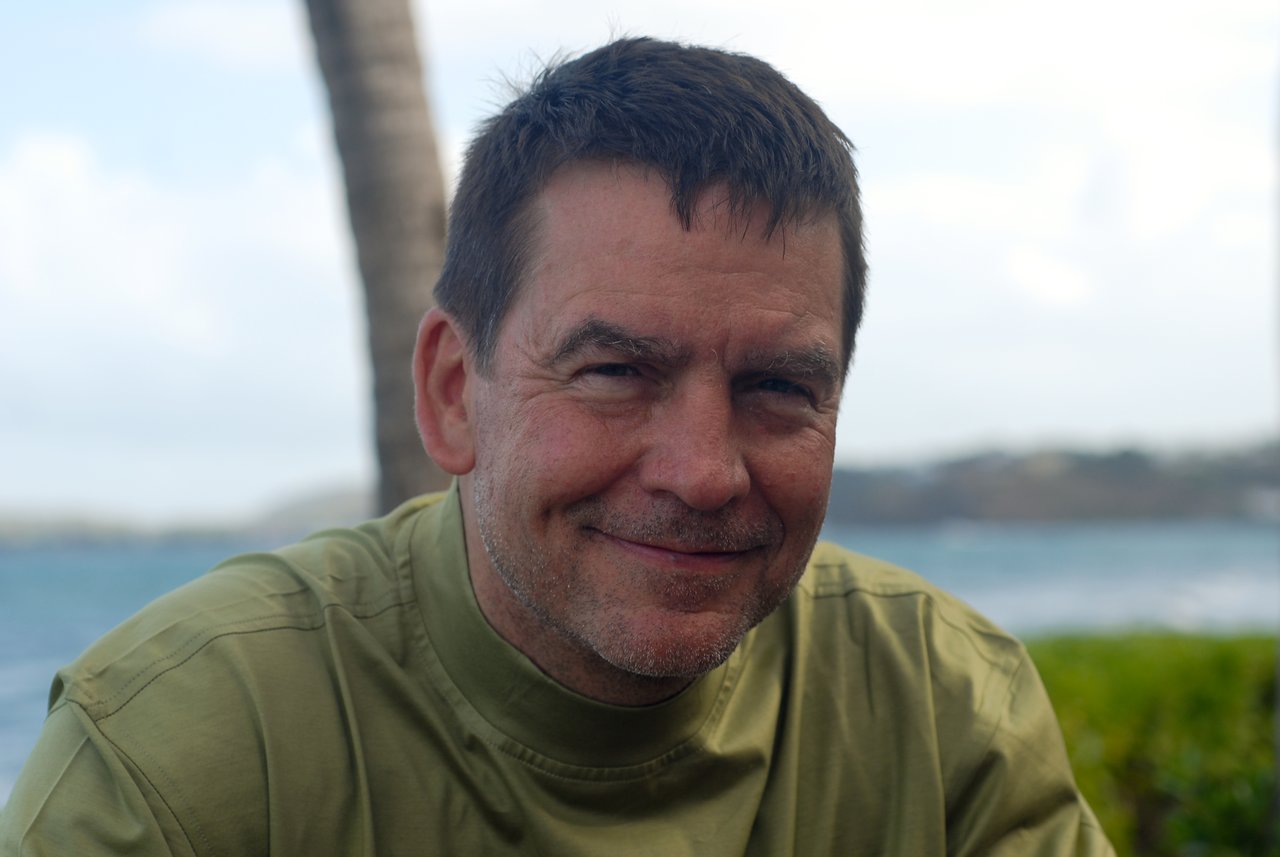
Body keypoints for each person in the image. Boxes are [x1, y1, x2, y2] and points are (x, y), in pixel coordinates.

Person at [0, 37, 1113, 855]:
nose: (702, 472)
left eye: (777, 387)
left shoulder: (939, 706)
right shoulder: (184, 750)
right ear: (453, 392)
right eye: (615, 371)